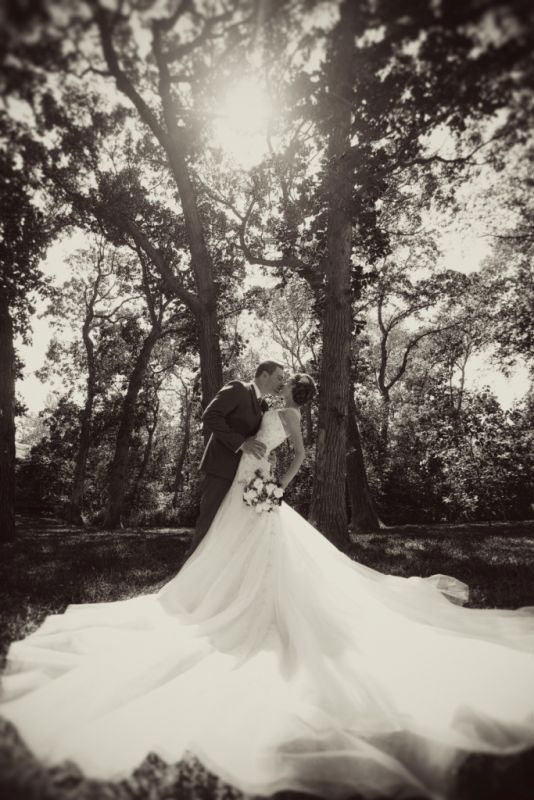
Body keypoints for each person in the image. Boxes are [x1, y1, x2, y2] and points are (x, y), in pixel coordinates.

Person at [2, 372, 534, 800]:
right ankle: (208, 591)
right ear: (273, 385)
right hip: (240, 480)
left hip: (259, 486)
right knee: (224, 541)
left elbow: (296, 456)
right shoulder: (260, 407)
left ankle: (246, 603)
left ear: (290, 391)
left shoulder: (289, 416)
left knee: (263, 550)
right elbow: (243, 436)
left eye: (287, 386)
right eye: (280, 384)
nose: (283, 390)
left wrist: (277, 486)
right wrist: (257, 467)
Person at [190, 360, 286, 555]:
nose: (281, 383)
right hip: (221, 469)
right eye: (279, 378)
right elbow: (210, 416)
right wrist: (241, 443)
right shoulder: (238, 388)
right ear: (264, 375)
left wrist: (267, 453)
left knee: (231, 526)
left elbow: (258, 437)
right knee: (209, 522)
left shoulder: (264, 405)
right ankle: (188, 573)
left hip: (246, 475)